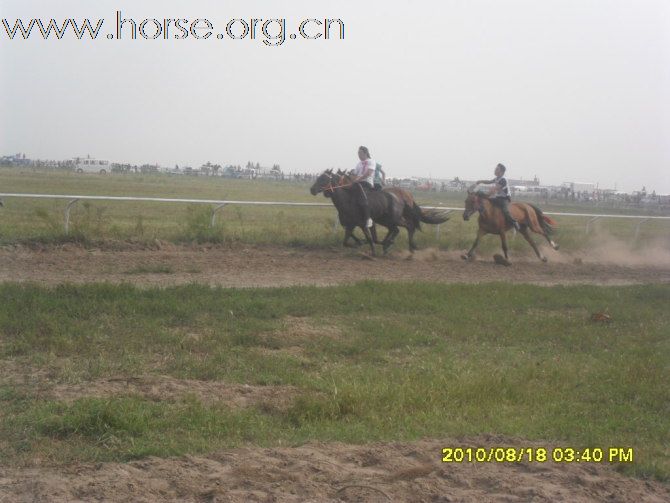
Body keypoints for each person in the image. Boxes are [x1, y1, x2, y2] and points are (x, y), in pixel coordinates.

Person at [475, 163, 520, 231]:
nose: (495, 170)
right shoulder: (497, 178)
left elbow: (494, 190)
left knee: (505, 211)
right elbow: (489, 181)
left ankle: (514, 223)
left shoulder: (503, 180)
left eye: (497, 169)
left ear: (501, 172)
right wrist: (481, 181)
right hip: (498, 198)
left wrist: (485, 195)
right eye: (495, 169)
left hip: (505, 199)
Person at [352, 146, 376, 228]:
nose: (358, 155)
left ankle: (368, 218)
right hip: (357, 183)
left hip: (366, 183)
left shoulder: (371, 161)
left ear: (365, 153)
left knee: (361, 195)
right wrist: (354, 180)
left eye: (360, 153)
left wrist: (358, 179)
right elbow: (354, 175)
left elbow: (368, 173)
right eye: (358, 153)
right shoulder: (358, 164)